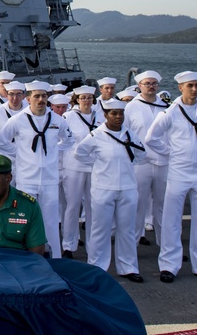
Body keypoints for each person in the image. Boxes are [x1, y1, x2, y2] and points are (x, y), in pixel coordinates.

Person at [145, 72, 197, 283]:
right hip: (178, 172)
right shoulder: (170, 113)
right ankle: (169, 265)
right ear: (180, 87)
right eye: (189, 85)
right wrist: (171, 153)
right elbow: (151, 139)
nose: (194, 89)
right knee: (172, 220)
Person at [0, 80, 73, 255]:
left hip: (49, 179)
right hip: (26, 178)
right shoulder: (18, 120)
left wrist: (54, 151)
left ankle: (54, 256)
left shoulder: (57, 120)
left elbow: (68, 140)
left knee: (50, 221)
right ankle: (24, 256)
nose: (40, 100)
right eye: (36, 96)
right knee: (23, 219)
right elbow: (1, 140)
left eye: (44, 96)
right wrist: (19, 153)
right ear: (28, 98)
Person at [74, 99, 146, 282]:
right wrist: (99, 165)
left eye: (120, 114)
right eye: (113, 114)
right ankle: (97, 267)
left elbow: (141, 154)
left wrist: (126, 165)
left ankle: (128, 267)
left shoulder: (130, 134)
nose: (118, 117)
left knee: (127, 229)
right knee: (100, 229)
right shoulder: (96, 135)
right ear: (105, 115)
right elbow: (79, 153)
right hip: (103, 188)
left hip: (127, 187)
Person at [124, 70, 169, 248]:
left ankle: (166, 246)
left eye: (154, 84)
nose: (151, 87)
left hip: (163, 161)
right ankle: (132, 247)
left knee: (163, 207)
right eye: (147, 83)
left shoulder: (167, 107)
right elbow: (125, 134)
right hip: (140, 163)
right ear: (139, 86)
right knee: (137, 206)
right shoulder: (131, 107)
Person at [61, 85, 101, 259]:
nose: (86, 101)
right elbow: (60, 140)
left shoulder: (100, 116)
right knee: (72, 206)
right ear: (76, 99)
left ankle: (94, 244)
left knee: (93, 207)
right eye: (83, 97)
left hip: (95, 167)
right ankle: (69, 244)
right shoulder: (68, 116)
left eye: (89, 98)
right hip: (74, 166)